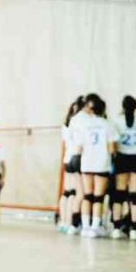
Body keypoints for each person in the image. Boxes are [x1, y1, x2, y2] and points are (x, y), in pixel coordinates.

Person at [75, 94, 117, 238]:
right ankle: (95, 227)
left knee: (88, 195)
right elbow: (112, 149)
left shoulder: (84, 125)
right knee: (98, 197)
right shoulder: (108, 125)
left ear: (92, 110)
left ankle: (85, 227)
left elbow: (79, 147)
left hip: (87, 162)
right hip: (101, 163)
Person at [112, 95, 136, 240]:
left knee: (119, 193)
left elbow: (113, 141)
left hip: (122, 157)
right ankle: (134, 229)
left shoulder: (116, 120)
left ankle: (116, 228)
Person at [58, 96, 86, 234]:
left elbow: (63, 144)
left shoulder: (66, 124)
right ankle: (70, 222)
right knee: (76, 193)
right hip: (77, 157)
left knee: (67, 193)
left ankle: (63, 221)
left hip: (67, 159)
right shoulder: (82, 121)